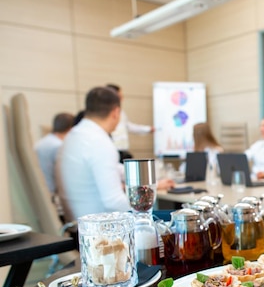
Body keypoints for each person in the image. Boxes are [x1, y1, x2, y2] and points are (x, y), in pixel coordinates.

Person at [56, 86, 174, 221]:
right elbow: (114, 202)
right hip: (99, 229)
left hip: (76, 222)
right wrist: (148, 214)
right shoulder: (99, 142)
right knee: (171, 219)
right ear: (116, 112)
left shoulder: (73, 136)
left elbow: (115, 169)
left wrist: (154, 185)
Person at [106, 83, 154, 161]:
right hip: (113, 151)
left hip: (123, 151)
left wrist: (148, 129)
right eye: (120, 95)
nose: (122, 97)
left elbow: (128, 126)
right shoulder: (105, 113)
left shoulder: (121, 112)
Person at [35, 112, 74, 195]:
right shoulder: (59, 146)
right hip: (53, 193)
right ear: (71, 129)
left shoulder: (42, 142)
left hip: (40, 190)